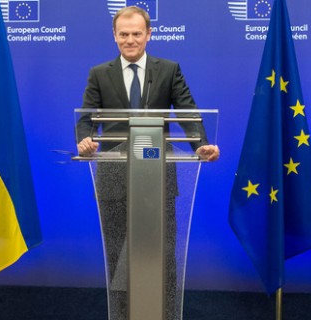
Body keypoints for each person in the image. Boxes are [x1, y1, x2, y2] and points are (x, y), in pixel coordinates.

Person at [75, 6, 219, 319]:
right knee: (119, 258)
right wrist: (85, 140)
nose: (130, 40)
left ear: (149, 34)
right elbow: (86, 118)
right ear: (114, 36)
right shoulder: (99, 74)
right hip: (114, 180)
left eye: (136, 34)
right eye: (123, 34)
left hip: (158, 180)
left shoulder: (168, 70)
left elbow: (188, 113)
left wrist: (201, 144)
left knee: (162, 257)